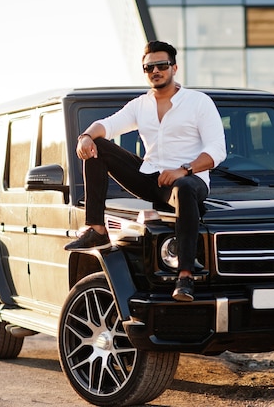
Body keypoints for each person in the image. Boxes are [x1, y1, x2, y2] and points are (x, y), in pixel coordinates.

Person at [65, 40, 226, 302]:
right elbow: (107, 125)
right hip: (151, 178)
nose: (155, 70)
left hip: (190, 181)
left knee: (185, 188)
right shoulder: (141, 105)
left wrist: (183, 170)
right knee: (97, 145)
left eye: (161, 65)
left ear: (174, 67)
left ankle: (185, 276)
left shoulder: (198, 102)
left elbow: (217, 151)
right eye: (149, 67)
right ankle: (96, 228)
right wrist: (84, 137)